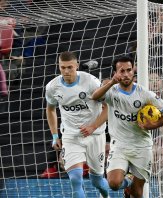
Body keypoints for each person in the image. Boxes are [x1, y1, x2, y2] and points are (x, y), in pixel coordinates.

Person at [91, 56, 163, 197]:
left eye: (129, 70)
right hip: (119, 145)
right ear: (115, 73)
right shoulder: (111, 91)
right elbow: (94, 97)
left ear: (133, 71)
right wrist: (111, 83)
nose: (126, 74)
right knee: (114, 184)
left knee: (137, 192)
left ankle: (131, 185)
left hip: (141, 146)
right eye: (122, 71)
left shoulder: (144, 93)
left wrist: (153, 125)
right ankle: (127, 181)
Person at [45, 51, 109, 198]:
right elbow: (50, 110)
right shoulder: (52, 87)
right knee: (75, 179)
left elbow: (108, 107)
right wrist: (55, 135)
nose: (66, 71)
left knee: (97, 181)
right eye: (63, 68)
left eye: (70, 67)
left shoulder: (91, 82)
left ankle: (106, 196)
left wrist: (93, 126)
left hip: (95, 135)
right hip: (71, 136)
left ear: (77, 66)